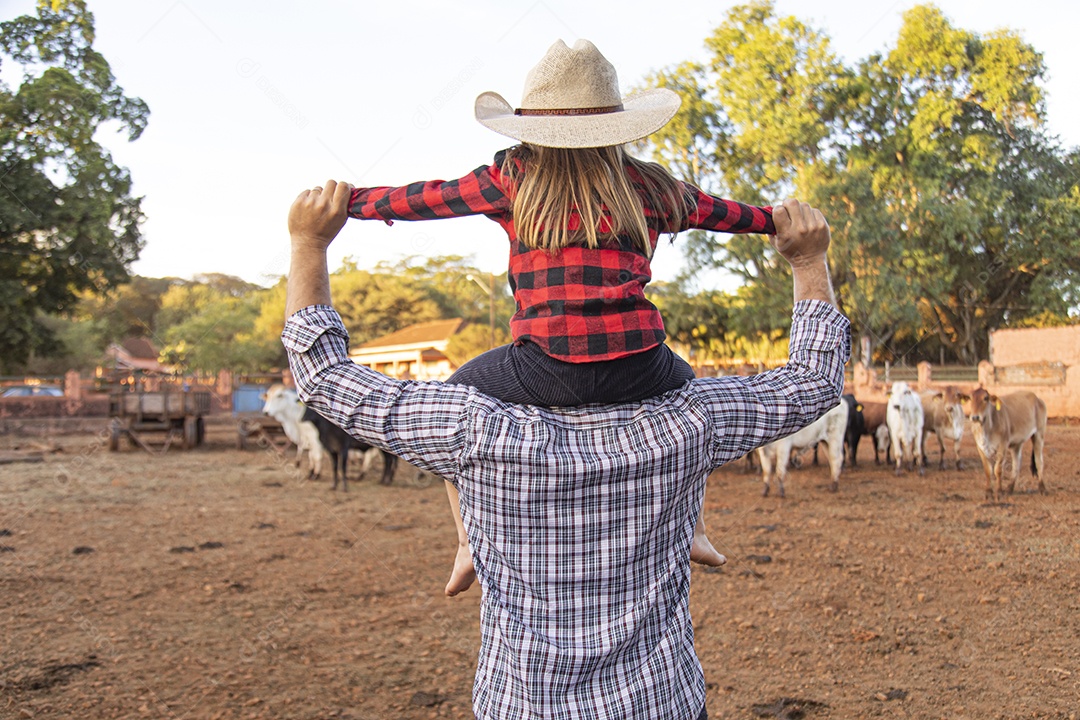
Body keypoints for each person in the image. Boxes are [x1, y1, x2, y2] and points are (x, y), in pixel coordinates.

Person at [283, 179, 848, 719]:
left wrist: (310, 242)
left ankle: (466, 540)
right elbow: (814, 380)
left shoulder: (470, 428)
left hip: (523, 708)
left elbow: (323, 376)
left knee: (462, 384)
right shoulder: (690, 421)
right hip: (661, 704)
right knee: (680, 378)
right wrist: (806, 260)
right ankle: (689, 524)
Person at [346, 39, 778, 596]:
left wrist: (350, 202)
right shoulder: (651, 185)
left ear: (531, 128)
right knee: (686, 393)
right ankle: (691, 523)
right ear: (618, 125)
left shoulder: (513, 178)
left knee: (456, 396)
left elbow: (422, 199)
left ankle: (466, 541)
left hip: (543, 367)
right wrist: (777, 221)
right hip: (641, 364)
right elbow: (727, 214)